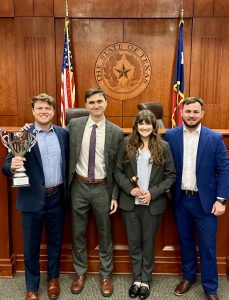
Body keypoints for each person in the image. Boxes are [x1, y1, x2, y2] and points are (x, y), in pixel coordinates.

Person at [2, 93, 69, 300]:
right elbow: (6, 167)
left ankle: (53, 280)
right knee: (31, 246)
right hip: (32, 200)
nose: (43, 112)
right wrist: (12, 166)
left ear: (53, 111)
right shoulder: (23, 135)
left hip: (57, 197)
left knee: (55, 243)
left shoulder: (62, 134)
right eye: (39, 108)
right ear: (33, 111)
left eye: (47, 108)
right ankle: (32, 287)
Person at [164, 97, 229, 300]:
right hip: (181, 200)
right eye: (187, 111)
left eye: (195, 112)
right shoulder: (171, 136)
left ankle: (210, 288)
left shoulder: (214, 138)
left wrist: (221, 199)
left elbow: (224, 170)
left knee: (208, 245)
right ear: (181, 113)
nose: (191, 115)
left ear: (202, 114)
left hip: (206, 202)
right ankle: (189, 277)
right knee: (185, 241)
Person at [114, 110, 176, 299]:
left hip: (152, 204)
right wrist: (130, 190)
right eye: (141, 123)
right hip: (130, 204)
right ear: (136, 125)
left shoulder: (164, 146)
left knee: (148, 244)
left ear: (154, 126)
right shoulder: (126, 144)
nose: (144, 127)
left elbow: (171, 176)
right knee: (134, 244)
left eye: (148, 123)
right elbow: (117, 171)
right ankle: (137, 279)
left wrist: (153, 193)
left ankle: (146, 280)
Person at [68, 87, 124, 297]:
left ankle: (106, 275)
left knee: (105, 233)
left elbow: (118, 167)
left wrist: (115, 195)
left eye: (99, 101)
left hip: (103, 188)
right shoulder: (74, 125)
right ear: (85, 105)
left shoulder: (116, 132)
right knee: (78, 232)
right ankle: (80, 273)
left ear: (106, 102)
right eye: (91, 102)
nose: (96, 105)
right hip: (79, 186)